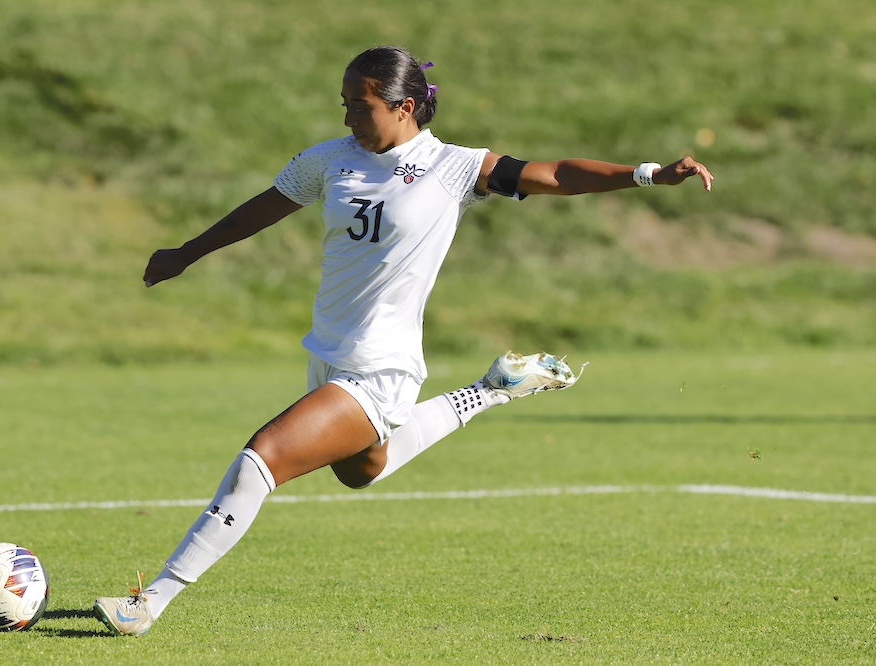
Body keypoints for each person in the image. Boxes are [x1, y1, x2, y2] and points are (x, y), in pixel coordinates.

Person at [93, 45, 713, 636]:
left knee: (261, 459)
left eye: (359, 105)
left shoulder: (455, 168)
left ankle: (150, 602)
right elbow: (263, 207)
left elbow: (553, 173)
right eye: (342, 103)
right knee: (364, 471)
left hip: (381, 368)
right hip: (328, 357)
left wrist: (647, 173)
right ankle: (489, 390)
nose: (347, 116)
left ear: (403, 107)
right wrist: (188, 252)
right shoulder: (329, 159)